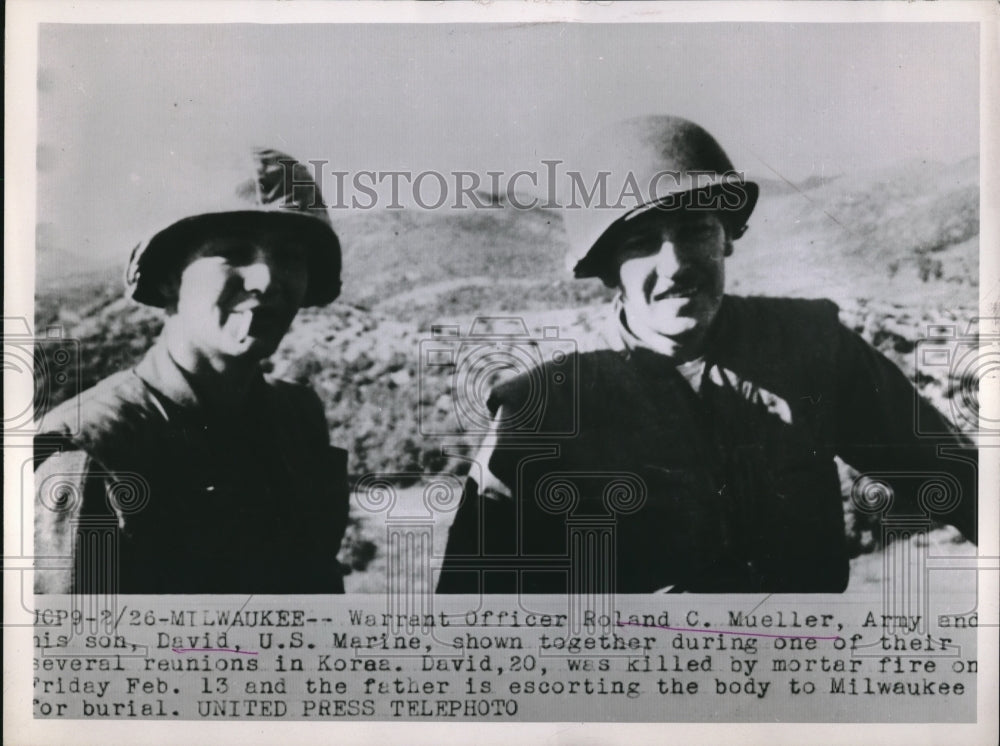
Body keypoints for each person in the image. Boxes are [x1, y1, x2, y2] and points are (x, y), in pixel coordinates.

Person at [437, 115, 977, 594]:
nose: (674, 265)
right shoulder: (550, 404)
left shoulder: (811, 346)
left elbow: (960, 481)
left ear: (726, 238)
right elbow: (475, 596)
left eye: (695, 229)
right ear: (607, 269)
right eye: (641, 242)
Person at [34, 148, 350, 594]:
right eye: (234, 252)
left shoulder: (297, 416)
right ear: (169, 279)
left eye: (291, 256)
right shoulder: (92, 450)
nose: (266, 280)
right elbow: (72, 653)